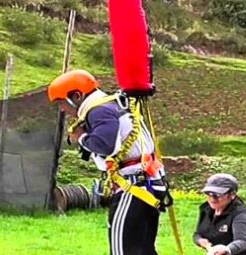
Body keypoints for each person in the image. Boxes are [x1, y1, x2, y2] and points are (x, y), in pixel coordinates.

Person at [47, 69, 170, 255]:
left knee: (122, 251)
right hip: (148, 182)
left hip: (133, 187)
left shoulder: (99, 110)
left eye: (62, 102)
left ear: (77, 95)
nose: (63, 109)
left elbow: (106, 145)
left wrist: (81, 137)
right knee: (143, 250)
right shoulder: (113, 103)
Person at [193, 173, 246, 255]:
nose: (212, 198)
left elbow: (241, 241)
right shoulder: (206, 210)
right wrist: (201, 242)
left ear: (232, 195)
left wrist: (227, 249)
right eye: (209, 193)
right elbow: (197, 234)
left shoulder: (240, 214)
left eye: (218, 194)